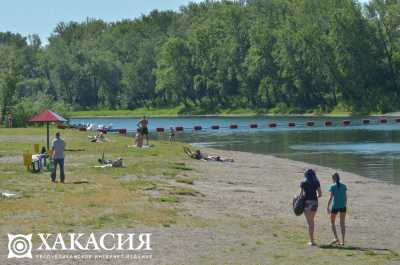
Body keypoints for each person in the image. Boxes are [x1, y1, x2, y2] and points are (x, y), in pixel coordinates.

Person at [300, 169, 322, 246]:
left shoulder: (303, 183)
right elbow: (320, 194)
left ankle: (311, 241)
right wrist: (314, 195)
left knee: (310, 222)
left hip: (306, 203)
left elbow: (301, 195)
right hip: (315, 203)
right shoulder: (317, 182)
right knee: (311, 221)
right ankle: (312, 240)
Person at [327, 173, 348, 246]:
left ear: (334, 178)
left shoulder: (332, 186)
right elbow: (345, 198)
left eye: (332, 178)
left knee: (332, 223)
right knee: (342, 223)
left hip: (335, 206)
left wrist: (327, 206)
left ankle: (336, 239)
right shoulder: (344, 186)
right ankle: (343, 241)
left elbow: (331, 198)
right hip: (343, 207)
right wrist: (344, 205)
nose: (332, 180)